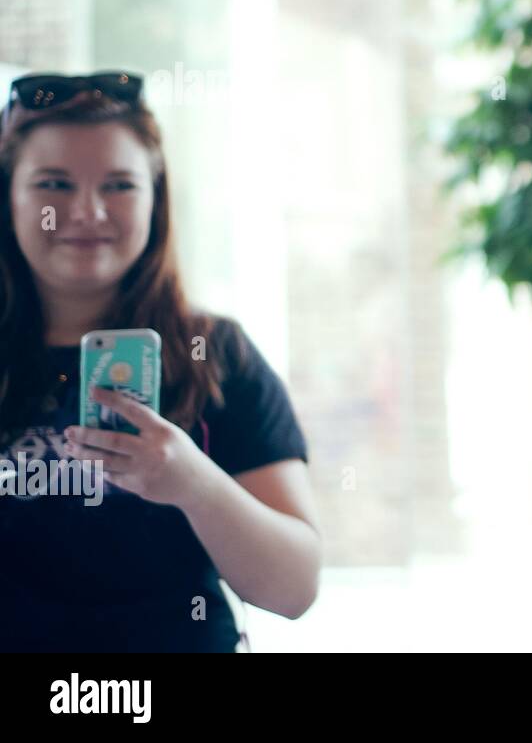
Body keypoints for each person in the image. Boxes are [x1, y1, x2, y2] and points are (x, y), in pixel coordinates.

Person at [0, 71, 321, 651]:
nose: (88, 212)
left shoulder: (217, 354)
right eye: (54, 184)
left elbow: (293, 589)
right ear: (8, 197)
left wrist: (193, 483)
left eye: (119, 186)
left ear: (155, 198)